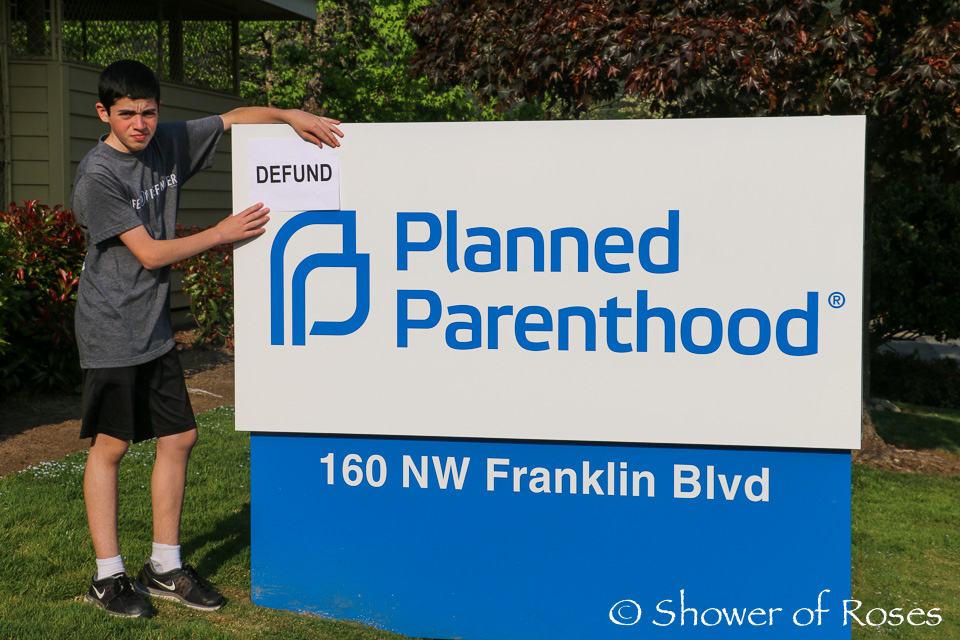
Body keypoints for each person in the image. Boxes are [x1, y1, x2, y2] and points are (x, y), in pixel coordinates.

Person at [72, 59, 343, 617]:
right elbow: (149, 254)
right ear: (103, 113)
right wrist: (221, 233)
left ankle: (164, 566)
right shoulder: (98, 176)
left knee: (180, 437)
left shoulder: (167, 142)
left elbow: (231, 118)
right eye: (127, 114)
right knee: (111, 446)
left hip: (153, 325)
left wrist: (288, 115)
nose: (140, 124)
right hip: (111, 327)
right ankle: (108, 577)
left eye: (149, 112)